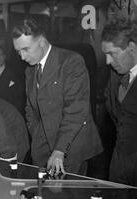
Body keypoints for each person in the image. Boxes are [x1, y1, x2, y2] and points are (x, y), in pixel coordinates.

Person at [12, 19, 103, 176]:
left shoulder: (70, 62)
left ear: (41, 41)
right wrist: (39, 137)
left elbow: (76, 111)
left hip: (70, 149)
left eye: (25, 49)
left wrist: (60, 149)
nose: (22, 56)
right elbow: (30, 110)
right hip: (42, 150)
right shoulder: (30, 71)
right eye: (18, 51)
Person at [101, 18, 137, 187]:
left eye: (112, 54)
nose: (108, 61)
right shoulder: (115, 75)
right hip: (119, 166)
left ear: (132, 48)